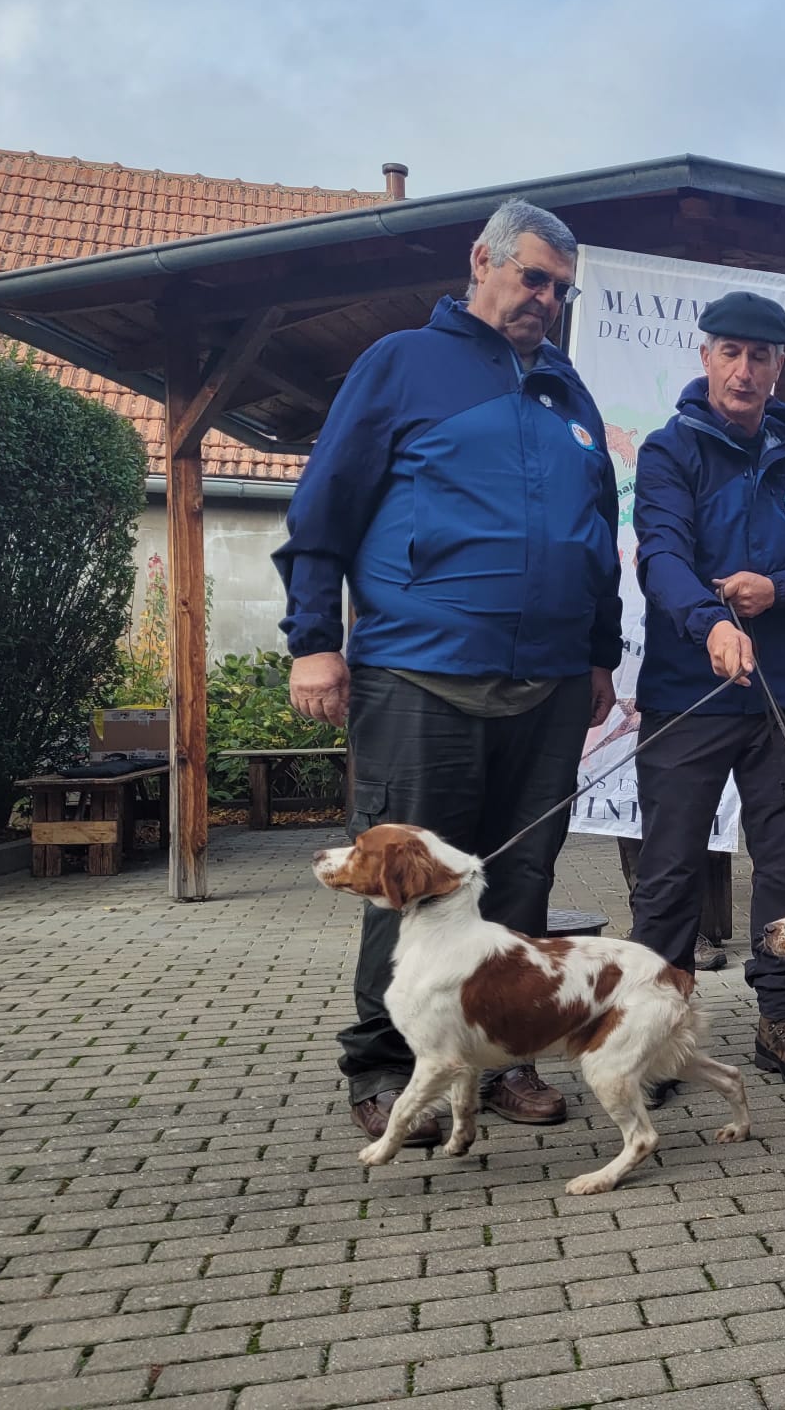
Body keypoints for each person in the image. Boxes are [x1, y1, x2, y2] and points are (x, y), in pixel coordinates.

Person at [276, 199, 621, 1143]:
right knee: (408, 884)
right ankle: (385, 1068)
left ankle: (499, 1060)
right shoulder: (400, 363)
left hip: (549, 681)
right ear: (483, 261)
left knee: (519, 887)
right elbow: (326, 507)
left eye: (559, 287)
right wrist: (314, 639)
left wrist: (600, 652)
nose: (544, 299)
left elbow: (598, 537)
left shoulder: (569, 391)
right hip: (418, 671)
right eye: (532, 278)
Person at [626, 291, 785, 1088]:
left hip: (777, 697)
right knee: (670, 870)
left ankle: (780, 1019)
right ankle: (657, 1030)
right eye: (730, 352)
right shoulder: (670, 448)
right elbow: (660, 556)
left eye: (760, 357)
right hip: (687, 692)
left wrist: (777, 590)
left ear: (779, 366)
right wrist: (709, 621)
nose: (744, 370)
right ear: (705, 356)